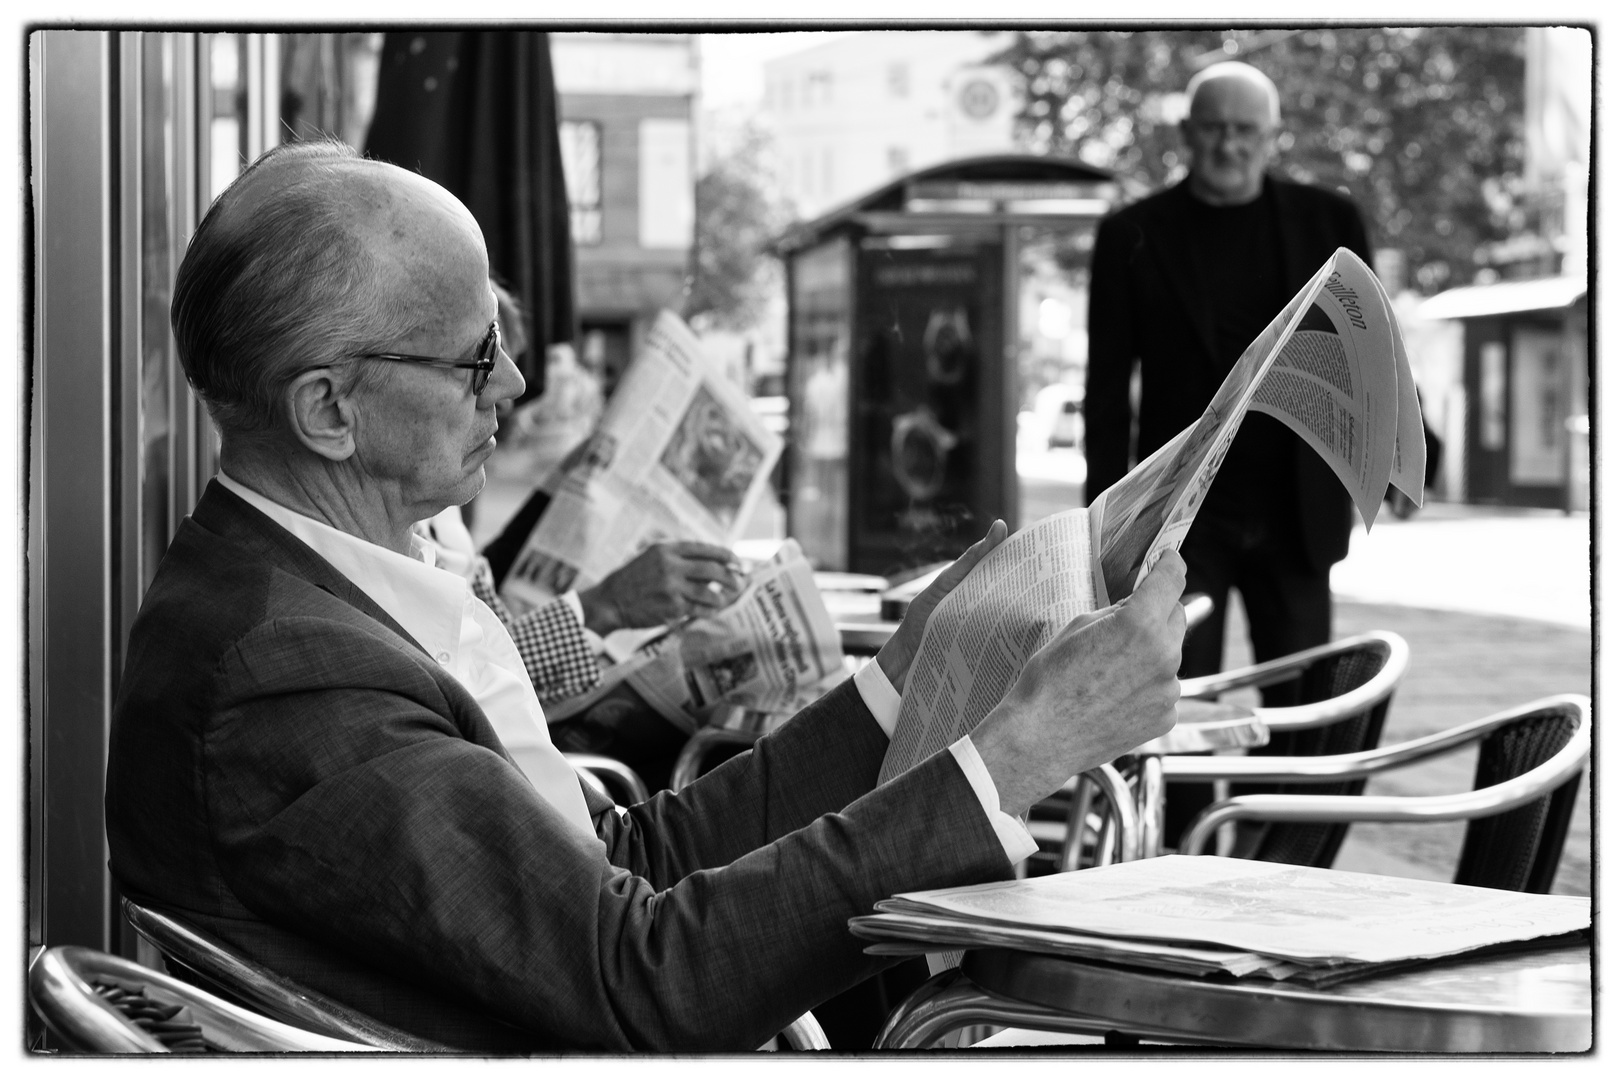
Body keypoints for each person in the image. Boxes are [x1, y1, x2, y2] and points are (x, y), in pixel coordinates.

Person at [105, 139, 1186, 1053]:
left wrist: (909, 677)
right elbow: (652, 980)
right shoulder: (286, 676)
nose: (516, 387)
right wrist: (1023, 753)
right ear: (330, 410)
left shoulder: (312, 594)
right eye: (476, 357)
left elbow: (624, 866)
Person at [1084, 61, 1372, 840]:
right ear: (1186, 133)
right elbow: (1107, 391)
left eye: (1246, 130)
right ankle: (1182, 851)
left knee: (1306, 704)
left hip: (1296, 507)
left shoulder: (1329, 223)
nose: (1229, 144)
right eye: (1214, 127)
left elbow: (1369, 355)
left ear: (1272, 137)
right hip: (1186, 516)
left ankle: (1295, 863)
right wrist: (1107, 529)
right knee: (1170, 699)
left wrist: (1398, 453)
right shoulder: (1130, 233)